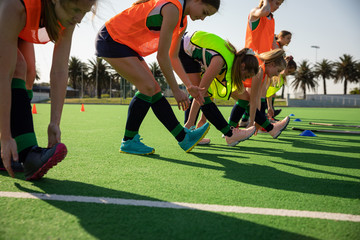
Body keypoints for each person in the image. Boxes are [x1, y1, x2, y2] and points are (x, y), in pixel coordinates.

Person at [95, 0, 220, 155]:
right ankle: (129, 140)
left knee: (154, 89)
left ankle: (183, 138)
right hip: (112, 39)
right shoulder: (173, 9)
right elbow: (162, 57)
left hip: (125, 45)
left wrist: (188, 86)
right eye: (205, 12)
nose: (202, 18)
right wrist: (176, 90)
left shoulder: (183, 21)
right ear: (196, 1)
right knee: (147, 87)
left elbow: (172, 57)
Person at [0, 0, 97, 180]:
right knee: (18, 67)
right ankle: (28, 153)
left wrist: (55, 123)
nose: (79, 18)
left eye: (85, 11)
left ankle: (21, 148)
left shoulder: (68, 16)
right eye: (76, 9)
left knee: (29, 73)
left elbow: (60, 70)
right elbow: (3, 75)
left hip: (12, 20)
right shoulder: (17, 6)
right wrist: (4, 136)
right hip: (6, 14)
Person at [179, 31, 257, 146]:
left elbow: (208, 92)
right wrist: (190, 124)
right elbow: (201, 92)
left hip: (189, 52)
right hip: (183, 50)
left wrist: (201, 120)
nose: (244, 80)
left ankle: (189, 132)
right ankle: (229, 134)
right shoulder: (220, 61)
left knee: (202, 95)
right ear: (243, 66)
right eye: (246, 76)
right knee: (201, 94)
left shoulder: (230, 60)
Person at [239, 0, 284, 127]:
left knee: (260, 95)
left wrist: (281, 55)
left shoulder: (271, 20)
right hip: (251, 61)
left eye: (280, 4)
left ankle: (256, 124)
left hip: (264, 62)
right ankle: (245, 123)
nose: (278, 7)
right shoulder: (255, 12)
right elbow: (264, 11)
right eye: (276, 3)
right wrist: (266, 3)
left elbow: (272, 43)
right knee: (250, 97)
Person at [228, 49, 290, 139]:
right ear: (272, 65)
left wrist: (257, 123)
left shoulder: (263, 70)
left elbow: (259, 98)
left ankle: (230, 131)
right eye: (278, 70)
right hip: (228, 79)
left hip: (234, 82)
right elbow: (253, 100)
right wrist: (251, 123)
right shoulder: (259, 70)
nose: (277, 74)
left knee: (245, 99)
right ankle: (230, 132)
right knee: (246, 99)